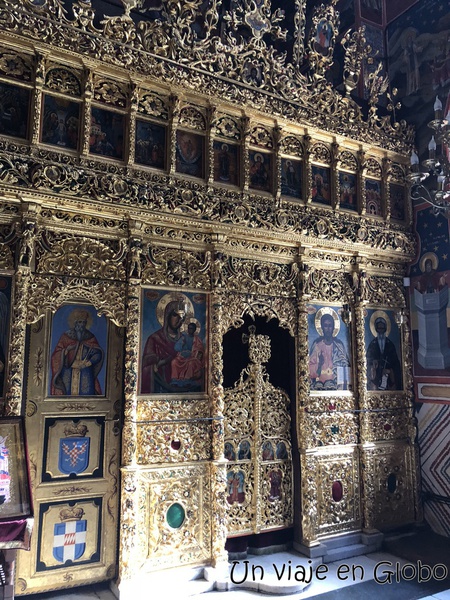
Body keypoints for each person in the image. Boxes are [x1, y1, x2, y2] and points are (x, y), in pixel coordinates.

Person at [50, 308, 104, 396]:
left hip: (85, 372)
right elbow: (57, 353)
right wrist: (67, 351)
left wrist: (88, 363)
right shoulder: (66, 336)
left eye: (84, 322)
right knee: (66, 394)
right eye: (80, 322)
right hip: (68, 371)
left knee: (86, 395)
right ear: (75, 323)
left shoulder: (90, 337)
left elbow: (98, 353)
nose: (82, 325)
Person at [141, 299, 185, 393]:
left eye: (182, 317)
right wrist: (158, 361)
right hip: (160, 389)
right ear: (167, 316)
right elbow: (145, 365)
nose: (179, 320)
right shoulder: (154, 339)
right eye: (175, 315)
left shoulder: (184, 340)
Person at [309, 312, 351, 390]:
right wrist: (319, 365)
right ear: (322, 327)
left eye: (330, 326)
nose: (328, 329)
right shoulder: (317, 345)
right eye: (325, 326)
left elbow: (345, 367)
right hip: (319, 384)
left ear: (333, 327)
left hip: (336, 385)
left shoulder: (339, 346)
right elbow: (309, 371)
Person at [366, 316, 401, 391]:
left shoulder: (390, 344)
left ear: (385, 329)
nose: (381, 331)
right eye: (379, 329)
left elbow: (395, 362)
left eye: (382, 329)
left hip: (388, 374)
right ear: (376, 329)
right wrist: (373, 363)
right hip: (376, 374)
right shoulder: (373, 344)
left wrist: (389, 370)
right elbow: (368, 359)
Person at [170, 321, 205, 391]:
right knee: (174, 362)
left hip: (193, 358)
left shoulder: (197, 340)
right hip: (182, 357)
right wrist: (181, 344)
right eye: (189, 328)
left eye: (191, 329)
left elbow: (200, 351)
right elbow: (176, 348)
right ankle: (175, 380)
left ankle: (187, 381)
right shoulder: (183, 337)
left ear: (195, 330)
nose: (190, 330)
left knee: (191, 364)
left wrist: (193, 354)